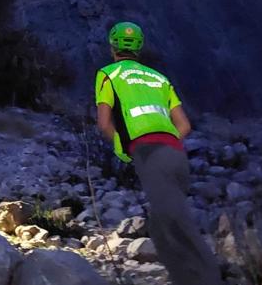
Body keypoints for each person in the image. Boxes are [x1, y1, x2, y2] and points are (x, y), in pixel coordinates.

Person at [95, 21, 223, 285]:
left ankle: (211, 279)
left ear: (112, 46)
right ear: (139, 47)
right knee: (161, 227)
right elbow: (184, 125)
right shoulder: (160, 79)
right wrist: (167, 144)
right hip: (176, 155)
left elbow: (104, 123)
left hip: (149, 154)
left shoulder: (108, 74)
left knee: (179, 225)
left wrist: (123, 151)